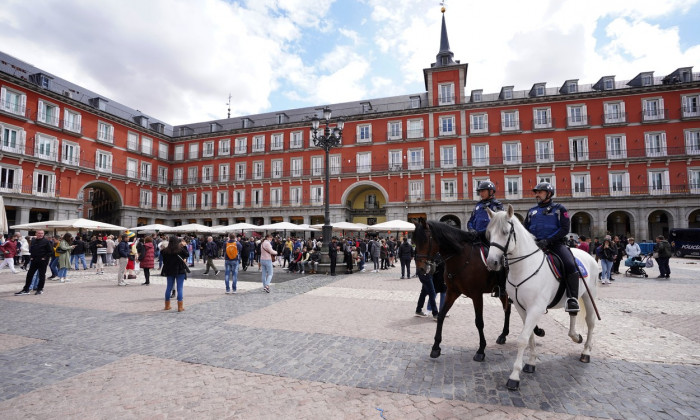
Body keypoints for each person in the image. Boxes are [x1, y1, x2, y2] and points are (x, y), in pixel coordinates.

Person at [524, 182, 579, 314]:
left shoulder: (559, 209)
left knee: (570, 264)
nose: (537, 194)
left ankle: (572, 299)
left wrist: (548, 240)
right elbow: (525, 229)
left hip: (555, 245)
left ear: (548, 193)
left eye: (540, 192)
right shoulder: (531, 211)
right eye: (536, 192)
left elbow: (565, 228)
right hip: (535, 246)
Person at [16, 230, 54, 295]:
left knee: (41, 275)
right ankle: (26, 289)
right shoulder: (33, 240)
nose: (40, 234)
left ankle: (40, 289)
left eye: (42, 233)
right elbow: (31, 249)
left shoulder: (47, 241)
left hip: (43, 261)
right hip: (34, 260)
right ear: (36, 233)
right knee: (29, 275)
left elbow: (50, 251)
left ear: (43, 234)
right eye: (39, 233)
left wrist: (44, 257)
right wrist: (31, 256)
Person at [161, 235, 190, 311]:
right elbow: (187, 254)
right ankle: (180, 307)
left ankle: (167, 305)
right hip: (180, 270)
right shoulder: (180, 250)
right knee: (179, 288)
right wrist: (184, 246)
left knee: (168, 288)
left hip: (169, 270)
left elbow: (164, 261)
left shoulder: (165, 251)